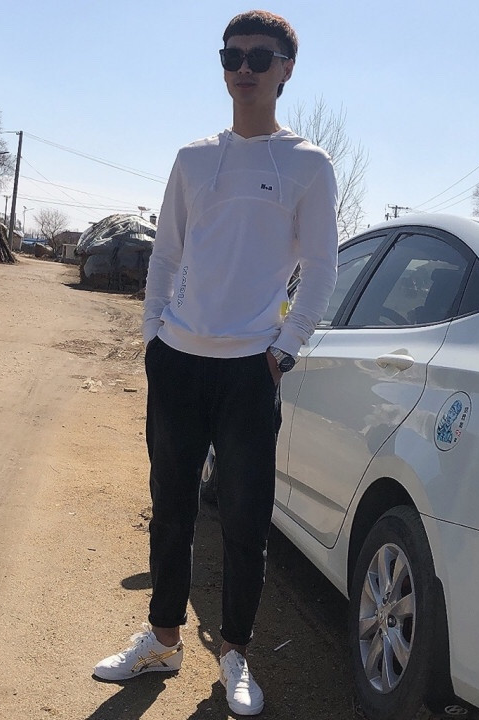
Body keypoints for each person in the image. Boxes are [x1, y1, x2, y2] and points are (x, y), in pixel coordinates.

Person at [93, 10, 338, 716]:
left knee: (244, 521)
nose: (244, 69)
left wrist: (284, 351)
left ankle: (234, 654)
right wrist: (152, 338)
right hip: (178, 361)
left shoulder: (307, 165)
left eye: (260, 57)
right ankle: (163, 639)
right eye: (232, 56)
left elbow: (322, 268)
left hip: (248, 371)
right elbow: (166, 253)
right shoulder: (194, 159)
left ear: (287, 69)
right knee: (170, 509)